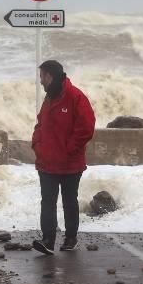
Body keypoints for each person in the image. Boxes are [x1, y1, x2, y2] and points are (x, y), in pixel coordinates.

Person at [31, 60, 96, 255]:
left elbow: (86, 127)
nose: (40, 81)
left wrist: (69, 149)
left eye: (42, 76)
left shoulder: (75, 97)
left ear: (50, 76)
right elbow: (40, 124)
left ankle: (70, 237)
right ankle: (48, 240)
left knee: (69, 200)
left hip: (70, 163)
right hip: (47, 162)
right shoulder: (49, 98)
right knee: (47, 201)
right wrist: (37, 144)